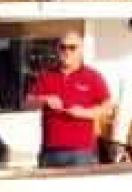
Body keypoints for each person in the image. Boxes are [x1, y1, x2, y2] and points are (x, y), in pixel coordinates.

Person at [26, 32, 112, 167]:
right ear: (57, 49)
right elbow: (28, 102)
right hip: (50, 151)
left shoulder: (93, 76)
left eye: (72, 47)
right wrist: (44, 99)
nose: (67, 51)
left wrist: (83, 113)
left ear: (81, 50)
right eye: (63, 47)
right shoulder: (46, 75)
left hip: (81, 152)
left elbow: (107, 108)